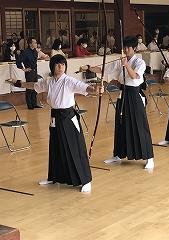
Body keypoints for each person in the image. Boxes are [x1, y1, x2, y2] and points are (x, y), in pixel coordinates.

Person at [7, 54, 103, 193]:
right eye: (58, 64)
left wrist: (94, 89)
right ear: (52, 67)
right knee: (55, 147)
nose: (61, 67)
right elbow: (33, 86)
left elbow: (84, 87)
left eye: (63, 64)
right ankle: (54, 177)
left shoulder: (69, 81)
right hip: (55, 116)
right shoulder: (49, 81)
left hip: (68, 117)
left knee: (74, 148)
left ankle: (85, 180)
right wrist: (17, 83)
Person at [88, 36, 154, 169]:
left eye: (128, 48)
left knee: (139, 125)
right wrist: (90, 68)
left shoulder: (139, 62)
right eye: (124, 47)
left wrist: (126, 64)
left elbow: (134, 76)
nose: (125, 50)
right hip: (122, 94)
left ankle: (149, 157)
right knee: (120, 124)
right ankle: (118, 154)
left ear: (134, 48)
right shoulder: (121, 61)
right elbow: (104, 69)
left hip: (134, 95)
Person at [16, 37, 42, 110]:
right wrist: (23, 69)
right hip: (29, 71)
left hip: (35, 71)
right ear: (30, 44)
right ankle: (29, 105)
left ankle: (34, 103)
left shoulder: (35, 51)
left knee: (35, 87)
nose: (36, 44)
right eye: (35, 42)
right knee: (29, 88)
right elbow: (18, 61)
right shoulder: (25, 52)